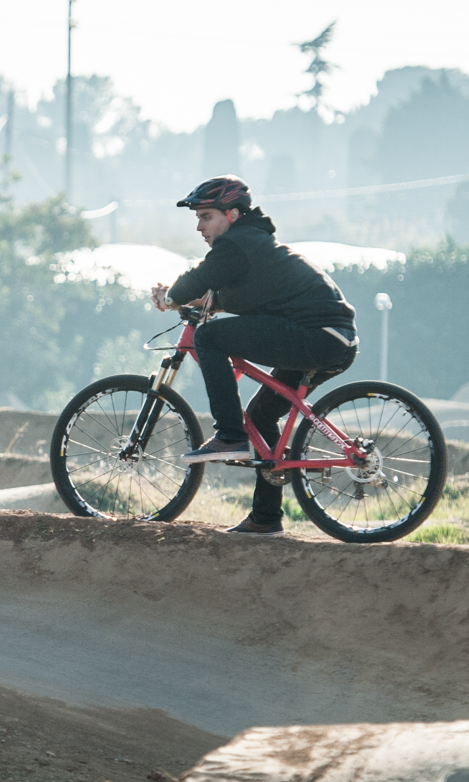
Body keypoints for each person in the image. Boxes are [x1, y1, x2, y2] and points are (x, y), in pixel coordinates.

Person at [150, 175, 358, 536]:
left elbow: (200, 278)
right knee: (262, 415)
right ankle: (265, 519)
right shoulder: (252, 245)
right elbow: (237, 295)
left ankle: (230, 435)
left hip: (318, 337)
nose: (199, 226)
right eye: (197, 218)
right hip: (330, 339)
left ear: (231, 214)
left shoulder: (238, 244)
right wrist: (202, 300)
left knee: (211, 338)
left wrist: (172, 297)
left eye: (206, 216)